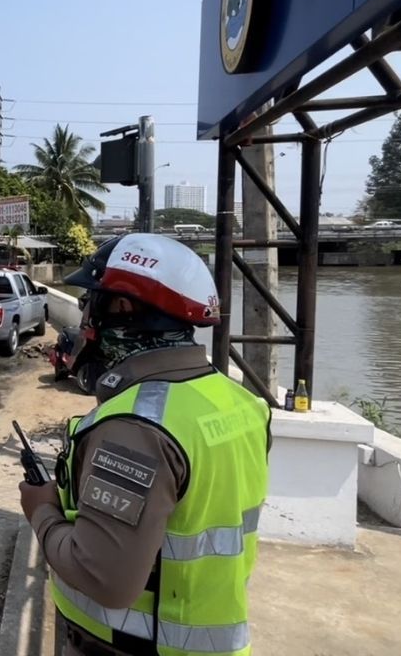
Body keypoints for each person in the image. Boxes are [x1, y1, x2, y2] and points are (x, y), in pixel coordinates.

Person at [17, 233, 270, 656]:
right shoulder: (242, 404)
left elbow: (104, 580)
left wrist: (41, 510)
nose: (83, 317)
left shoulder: (135, 427)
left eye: (90, 303)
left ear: (121, 308)